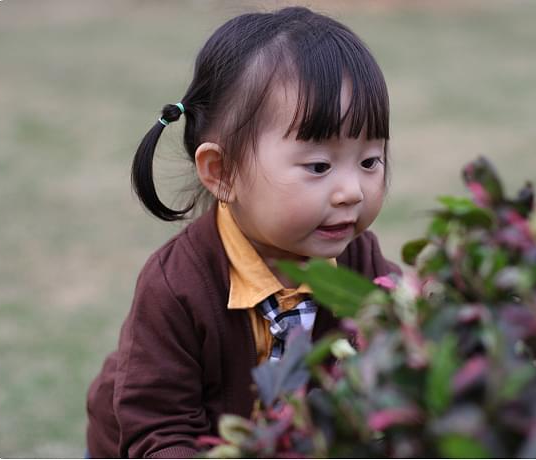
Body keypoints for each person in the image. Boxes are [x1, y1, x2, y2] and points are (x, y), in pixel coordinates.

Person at [85, 6, 400, 458]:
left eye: (370, 161)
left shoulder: (359, 261)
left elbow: (411, 338)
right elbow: (156, 432)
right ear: (222, 172)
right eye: (318, 166)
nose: (351, 191)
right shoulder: (177, 289)